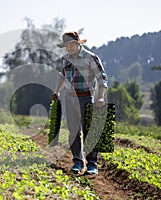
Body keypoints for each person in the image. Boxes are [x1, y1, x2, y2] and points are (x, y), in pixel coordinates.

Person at [52, 31, 108, 175]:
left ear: (78, 44)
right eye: (66, 46)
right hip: (69, 98)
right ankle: (77, 161)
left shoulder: (91, 58)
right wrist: (57, 91)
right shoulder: (65, 59)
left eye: (71, 45)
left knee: (89, 131)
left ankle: (92, 164)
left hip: (86, 97)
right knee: (73, 131)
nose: (69, 48)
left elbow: (102, 79)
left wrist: (100, 97)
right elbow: (61, 76)